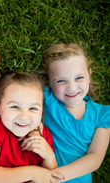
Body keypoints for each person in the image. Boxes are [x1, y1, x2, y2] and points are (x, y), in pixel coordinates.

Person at [0, 71, 64, 183]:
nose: (24, 116)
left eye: (33, 109)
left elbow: (50, 177)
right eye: (15, 107)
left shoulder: (43, 136)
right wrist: (32, 173)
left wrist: (49, 156)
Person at [40, 43, 110, 182]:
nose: (72, 87)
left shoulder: (102, 114)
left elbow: (95, 158)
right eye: (61, 81)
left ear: (89, 75)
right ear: (49, 83)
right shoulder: (47, 99)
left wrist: (52, 177)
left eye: (79, 78)